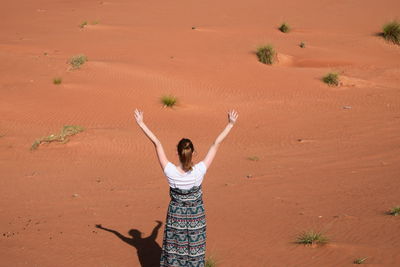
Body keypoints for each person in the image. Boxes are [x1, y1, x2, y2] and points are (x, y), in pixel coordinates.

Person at [134, 109, 238, 267]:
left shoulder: (170, 171)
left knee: (174, 250)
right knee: (195, 250)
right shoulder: (199, 171)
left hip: (176, 217)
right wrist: (230, 124)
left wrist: (141, 123)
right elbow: (215, 144)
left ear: (177, 153)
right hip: (196, 217)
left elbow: (157, 143)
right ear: (193, 153)